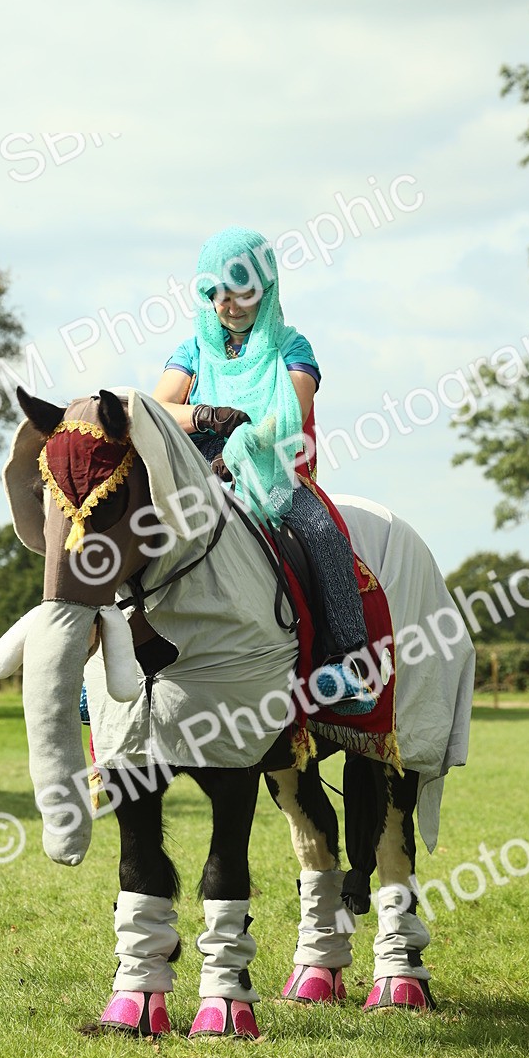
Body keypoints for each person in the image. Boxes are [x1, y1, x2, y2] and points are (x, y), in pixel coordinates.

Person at [153, 225, 373, 714]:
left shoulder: (293, 346)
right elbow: (158, 407)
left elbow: (291, 409)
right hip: (200, 468)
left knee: (321, 534)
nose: (228, 305)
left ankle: (345, 660)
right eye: (217, 294)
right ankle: (112, 657)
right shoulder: (191, 351)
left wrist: (248, 439)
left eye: (241, 292)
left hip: (272, 469)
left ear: (267, 289)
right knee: (134, 532)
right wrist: (208, 416)